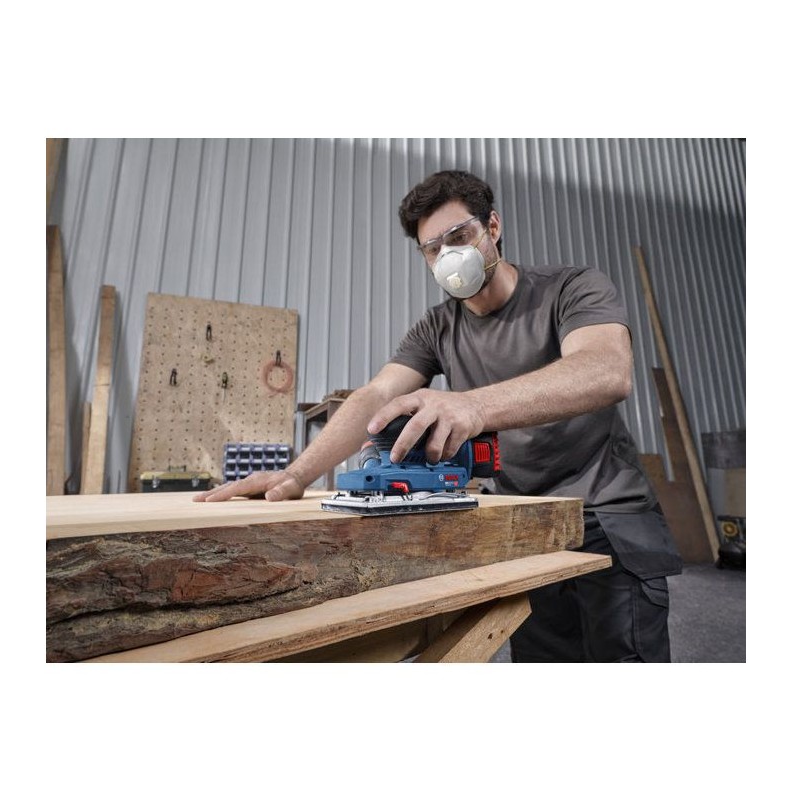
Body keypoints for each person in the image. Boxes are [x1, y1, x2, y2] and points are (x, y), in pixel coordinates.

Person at [195, 169, 683, 663]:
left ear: (492, 227)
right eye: (433, 248)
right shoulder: (437, 327)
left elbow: (606, 370)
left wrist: (472, 404)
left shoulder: (572, 287)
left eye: (459, 236)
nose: (448, 254)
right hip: (525, 522)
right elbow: (376, 394)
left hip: (607, 513)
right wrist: (296, 474)